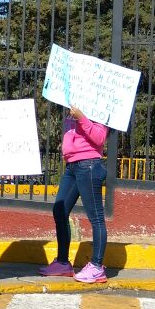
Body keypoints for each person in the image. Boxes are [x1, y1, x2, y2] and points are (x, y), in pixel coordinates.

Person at [39, 105, 109, 283]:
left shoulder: (101, 106)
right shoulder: (74, 103)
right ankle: (63, 263)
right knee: (59, 211)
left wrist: (81, 117)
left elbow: (100, 138)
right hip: (72, 165)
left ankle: (97, 267)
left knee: (96, 217)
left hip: (89, 165)